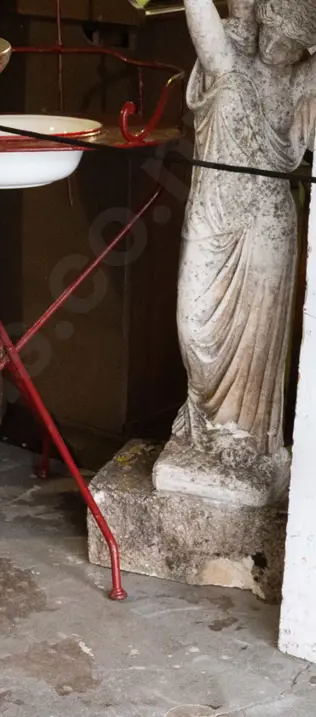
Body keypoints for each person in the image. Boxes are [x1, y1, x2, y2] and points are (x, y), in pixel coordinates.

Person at [154, 0, 316, 505]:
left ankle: (245, 444)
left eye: (292, 40)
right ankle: (204, 429)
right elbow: (201, 18)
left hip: (268, 225)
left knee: (258, 341)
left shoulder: (298, 86)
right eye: (275, 29)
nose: (278, 43)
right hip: (212, 214)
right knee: (194, 326)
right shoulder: (229, 64)